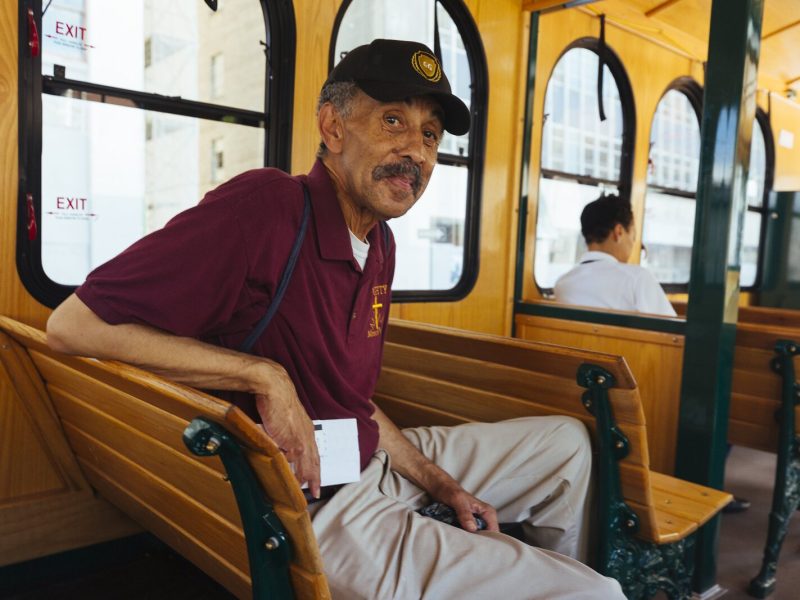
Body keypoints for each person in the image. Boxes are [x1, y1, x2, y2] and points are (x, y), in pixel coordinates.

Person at [46, 39, 624, 599]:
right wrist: (263, 376)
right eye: (393, 121)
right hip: (311, 504)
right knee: (594, 595)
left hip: (362, 457)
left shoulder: (381, 244)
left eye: (429, 135)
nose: (418, 152)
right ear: (332, 126)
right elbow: (73, 327)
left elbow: (350, 402)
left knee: (567, 445)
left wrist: (439, 482)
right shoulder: (266, 208)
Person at [554, 194, 677, 317]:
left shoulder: (562, 284)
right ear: (618, 232)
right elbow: (672, 332)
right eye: (633, 237)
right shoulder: (638, 279)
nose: (634, 244)